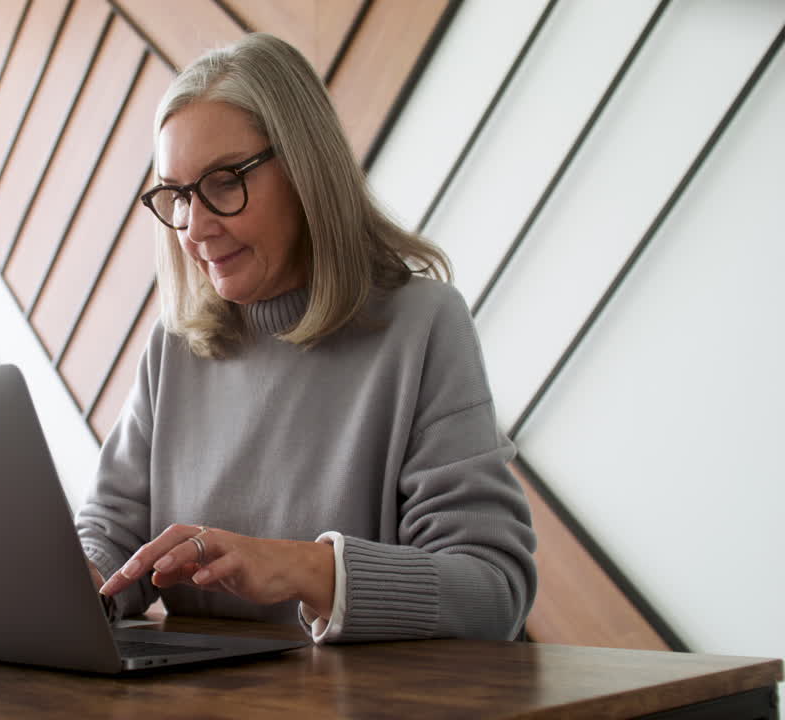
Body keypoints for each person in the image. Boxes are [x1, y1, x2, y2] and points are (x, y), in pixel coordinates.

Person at [76, 32, 537, 645]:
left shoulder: (421, 326)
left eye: (222, 183)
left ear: (304, 170)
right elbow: (113, 532)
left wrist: (303, 568)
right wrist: (77, 579)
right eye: (179, 196)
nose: (195, 228)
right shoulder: (175, 346)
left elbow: (492, 592)